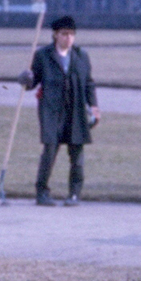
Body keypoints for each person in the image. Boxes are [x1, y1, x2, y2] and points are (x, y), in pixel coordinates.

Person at [21, 15, 100, 207]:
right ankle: (42, 193)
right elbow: (32, 83)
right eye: (64, 34)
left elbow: (89, 83)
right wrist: (26, 78)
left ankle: (74, 194)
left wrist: (94, 106)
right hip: (51, 111)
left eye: (72, 34)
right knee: (49, 152)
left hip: (76, 111)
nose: (68, 38)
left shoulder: (81, 56)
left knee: (77, 155)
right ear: (56, 35)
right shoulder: (43, 56)